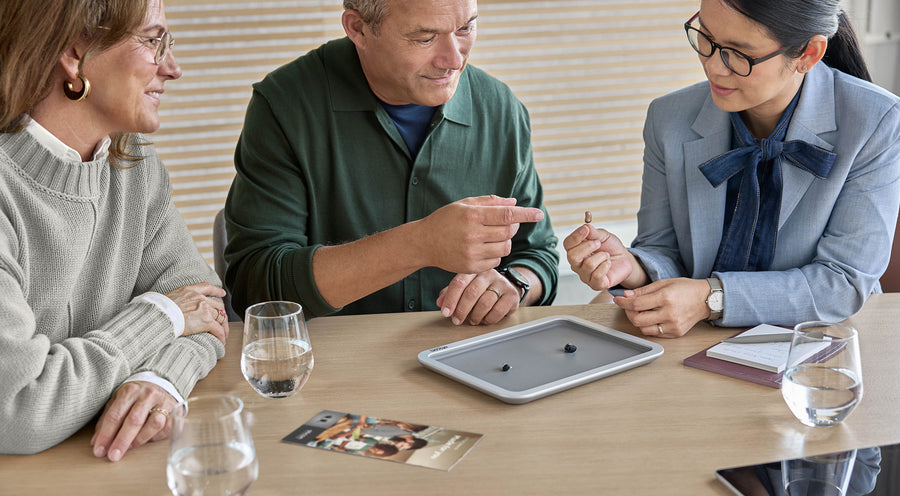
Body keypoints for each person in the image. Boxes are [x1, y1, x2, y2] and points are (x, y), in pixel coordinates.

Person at [565, 0, 900, 337]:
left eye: (739, 54)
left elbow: (841, 283)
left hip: (821, 342)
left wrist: (710, 298)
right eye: (706, 39)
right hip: (692, 343)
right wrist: (632, 267)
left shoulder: (875, 121)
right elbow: (662, 249)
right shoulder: (667, 118)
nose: (713, 67)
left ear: (808, 54)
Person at [223, 0, 559, 325]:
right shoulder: (284, 106)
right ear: (359, 28)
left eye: (465, 28)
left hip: (470, 358)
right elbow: (257, 289)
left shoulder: (501, 108)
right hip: (333, 367)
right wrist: (420, 243)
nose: (454, 60)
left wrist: (514, 284)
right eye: (424, 38)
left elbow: (537, 254)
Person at [0, 0, 229, 459]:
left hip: (103, 466)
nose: (173, 68)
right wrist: (162, 316)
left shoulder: (134, 165)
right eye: (152, 40)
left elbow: (204, 309)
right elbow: (18, 408)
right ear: (75, 53)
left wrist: (160, 379)